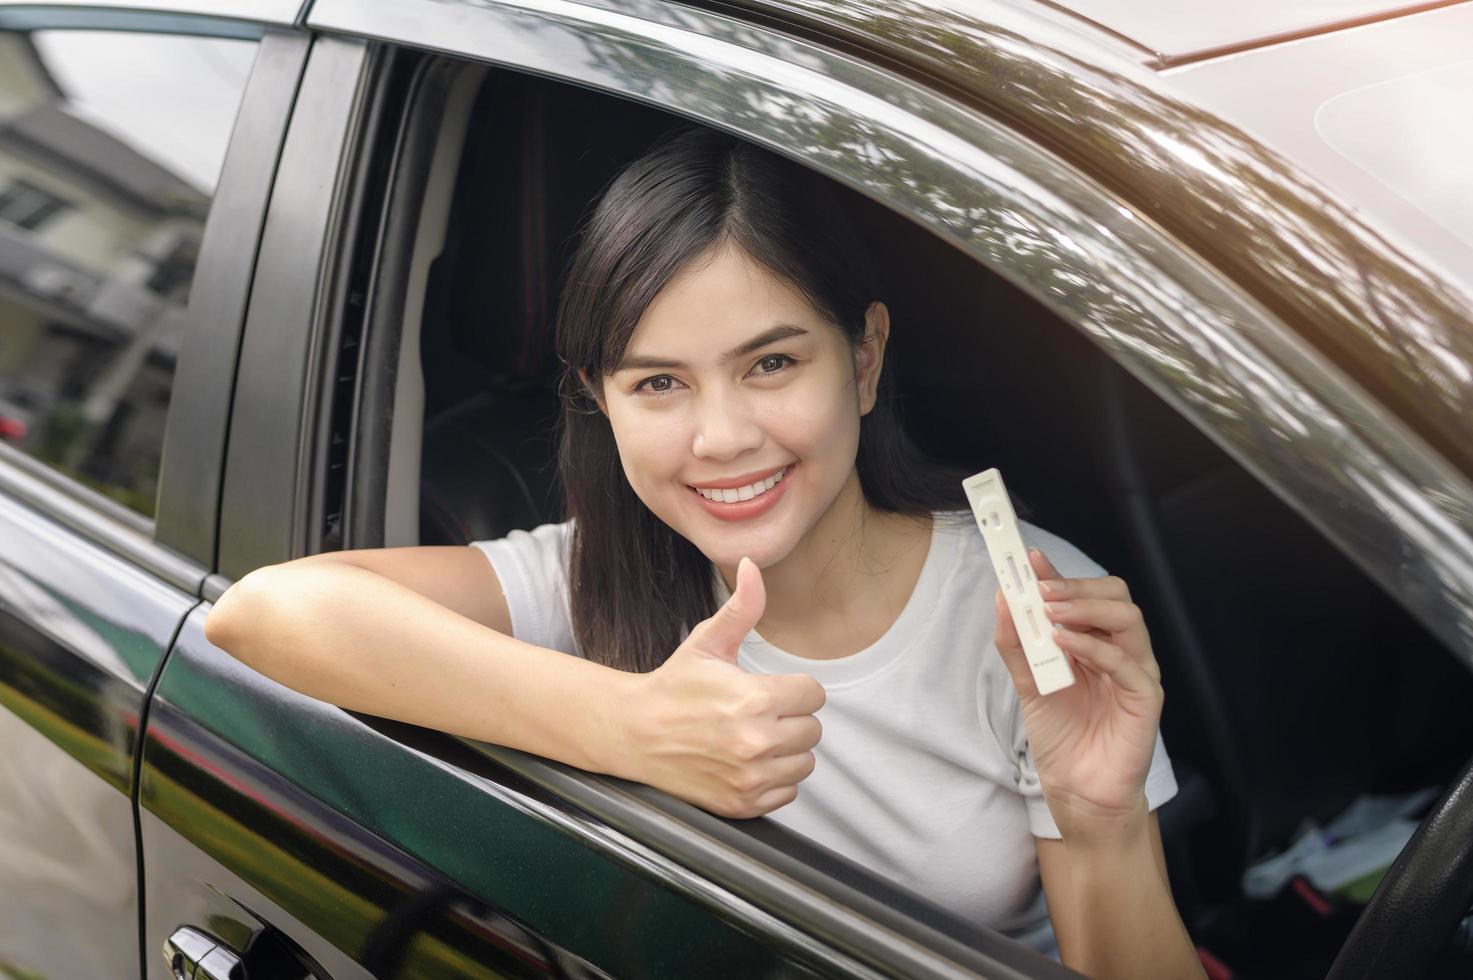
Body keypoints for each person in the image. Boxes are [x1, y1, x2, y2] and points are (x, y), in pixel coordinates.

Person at [205, 125, 1204, 979]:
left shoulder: (1019, 601)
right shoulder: (597, 571)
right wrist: (633, 724)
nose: (721, 436)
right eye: (658, 384)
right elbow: (265, 611)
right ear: (603, 401)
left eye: (771, 362)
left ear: (864, 357)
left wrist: (1099, 813)